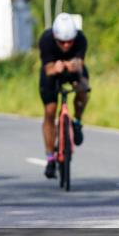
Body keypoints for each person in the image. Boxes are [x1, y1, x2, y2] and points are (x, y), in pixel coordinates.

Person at [38, 12, 90, 178]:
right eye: (62, 42)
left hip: (73, 71)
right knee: (50, 111)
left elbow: (80, 64)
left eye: (70, 42)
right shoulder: (46, 40)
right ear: (55, 37)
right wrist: (56, 68)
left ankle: (77, 122)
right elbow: (47, 69)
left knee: (84, 89)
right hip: (53, 72)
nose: (67, 45)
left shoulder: (81, 39)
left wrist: (73, 66)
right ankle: (50, 158)